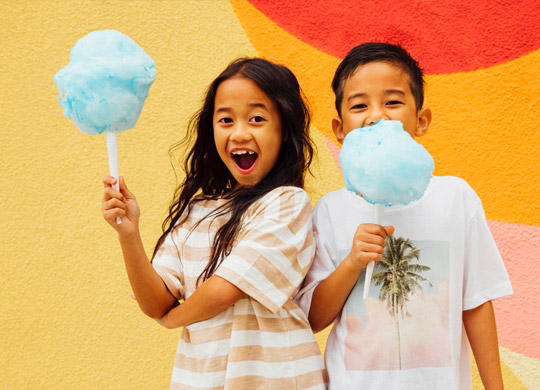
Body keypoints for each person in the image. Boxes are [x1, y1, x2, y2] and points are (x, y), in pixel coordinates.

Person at [296, 43, 512, 390]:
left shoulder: (455, 198)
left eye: (392, 102)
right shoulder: (331, 210)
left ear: (421, 120)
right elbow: (313, 318)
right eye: (359, 105)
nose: (377, 115)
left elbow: (476, 303)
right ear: (339, 129)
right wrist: (352, 262)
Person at [102, 58, 327, 390]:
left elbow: (225, 290)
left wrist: (172, 319)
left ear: (284, 130)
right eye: (225, 119)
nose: (239, 132)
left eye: (257, 118)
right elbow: (154, 302)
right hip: (201, 379)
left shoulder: (287, 203)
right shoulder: (197, 212)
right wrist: (129, 234)